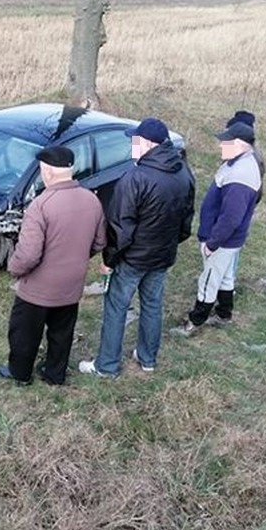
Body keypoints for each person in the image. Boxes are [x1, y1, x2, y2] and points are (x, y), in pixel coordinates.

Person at [79, 118, 195, 377]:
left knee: (116, 307)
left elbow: (121, 228)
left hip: (132, 260)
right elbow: (187, 218)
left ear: (147, 144)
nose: (131, 143)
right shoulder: (183, 172)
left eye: (135, 139)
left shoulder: (135, 178)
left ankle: (107, 365)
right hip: (163, 256)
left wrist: (109, 259)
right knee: (152, 304)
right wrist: (169, 244)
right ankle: (147, 359)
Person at [0, 145, 106, 386]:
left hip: (38, 288)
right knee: (62, 332)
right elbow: (99, 242)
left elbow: (29, 255)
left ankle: (20, 373)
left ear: (46, 172)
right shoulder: (92, 200)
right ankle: (55, 374)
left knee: (24, 333)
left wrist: (14, 268)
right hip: (72, 284)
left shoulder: (40, 205)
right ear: (71, 169)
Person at [171, 120, 262, 336]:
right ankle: (223, 313)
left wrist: (212, 243)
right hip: (229, 239)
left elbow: (231, 217)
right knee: (226, 275)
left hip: (222, 240)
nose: (221, 145)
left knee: (209, 279)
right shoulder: (240, 163)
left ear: (239, 144)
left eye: (225, 142)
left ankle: (195, 322)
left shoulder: (241, 175)